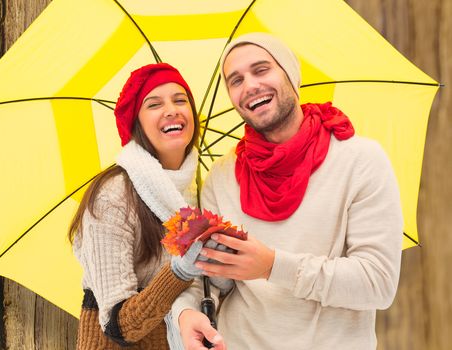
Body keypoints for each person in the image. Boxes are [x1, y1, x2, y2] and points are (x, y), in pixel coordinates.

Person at [171, 33, 403, 349]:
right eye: (236, 80)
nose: (250, 85)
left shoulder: (360, 161)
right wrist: (186, 313)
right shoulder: (221, 177)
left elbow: (377, 283)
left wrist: (272, 266)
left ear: (291, 76)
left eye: (262, 69)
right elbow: (208, 280)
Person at [69, 62, 226, 349]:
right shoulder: (114, 195)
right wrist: (180, 270)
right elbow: (118, 326)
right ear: (136, 123)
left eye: (180, 100)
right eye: (154, 104)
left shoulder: (201, 189)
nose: (172, 110)